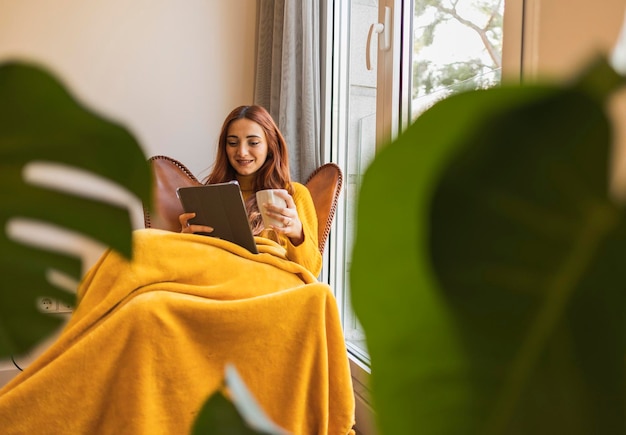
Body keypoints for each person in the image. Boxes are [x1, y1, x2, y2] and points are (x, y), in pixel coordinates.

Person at [180, 104, 322, 276]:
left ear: (271, 145)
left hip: (268, 287)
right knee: (145, 240)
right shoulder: (210, 197)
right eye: (232, 143)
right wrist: (183, 240)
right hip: (219, 283)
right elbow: (194, 266)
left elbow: (312, 272)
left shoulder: (293, 194)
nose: (242, 152)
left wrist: (298, 235)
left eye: (253, 142)